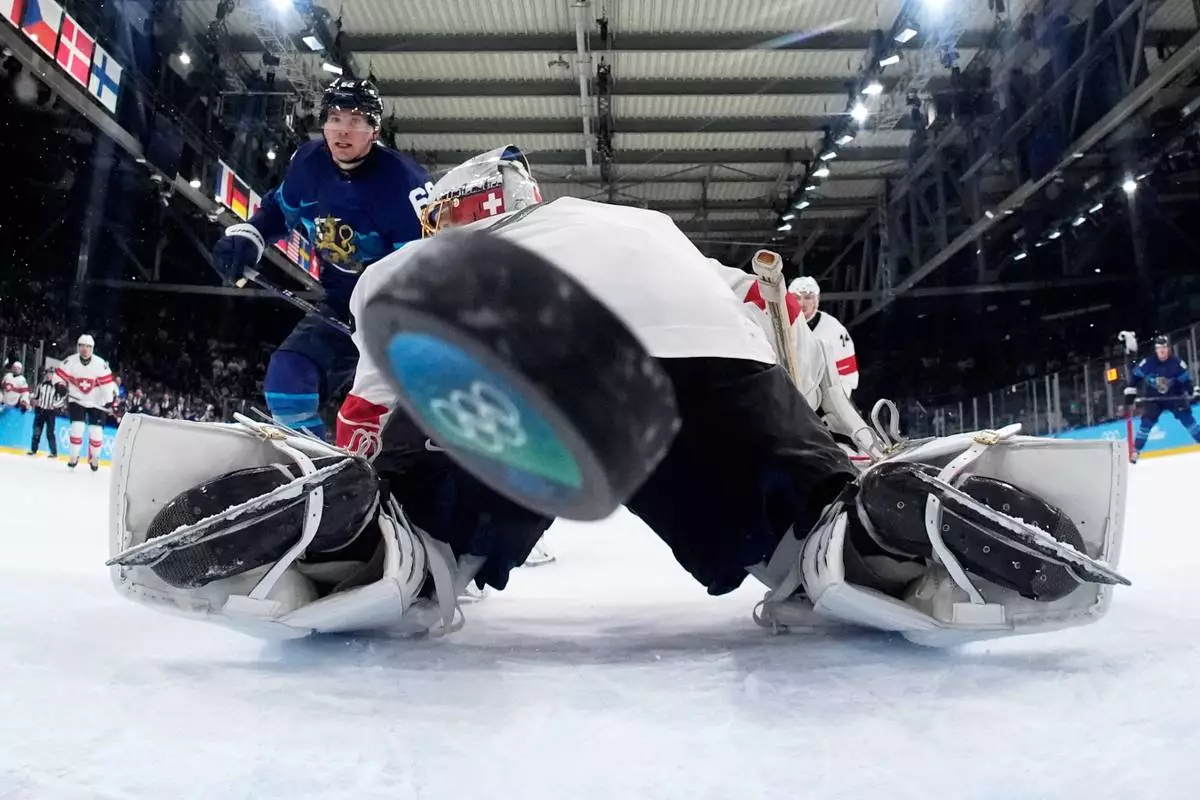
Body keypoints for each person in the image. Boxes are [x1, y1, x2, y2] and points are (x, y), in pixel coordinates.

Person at [109, 146, 1129, 646]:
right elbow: (757, 303)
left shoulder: (425, 257)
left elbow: (379, 370)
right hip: (714, 368)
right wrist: (814, 436)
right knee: (799, 525)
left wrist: (366, 454)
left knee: (426, 523)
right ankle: (862, 527)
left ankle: (369, 538)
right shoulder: (644, 223)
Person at [210, 77, 434, 439]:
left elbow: (426, 270)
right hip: (342, 306)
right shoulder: (309, 162)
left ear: (374, 131)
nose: (342, 130)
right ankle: (323, 469)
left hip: (402, 319)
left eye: (355, 120)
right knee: (287, 382)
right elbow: (278, 212)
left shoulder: (405, 184)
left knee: (397, 431)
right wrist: (248, 238)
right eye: (335, 118)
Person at [1124, 334, 1200, 461]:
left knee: (1189, 421)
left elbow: (1186, 382)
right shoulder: (1148, 363)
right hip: (1154, 398)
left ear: (1168, 348)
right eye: (1159, 348)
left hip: (1175, 396)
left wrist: (1193, 391)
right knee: (1146, 424)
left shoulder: (1178, 363)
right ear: (1156, 349)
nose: (1162, 351)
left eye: (1164, 347)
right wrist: (1131, 391)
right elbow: (1135, 375)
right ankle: (1136, 450)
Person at [788, 276, 858, 397]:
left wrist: (837, 400)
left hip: (823, 395)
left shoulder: (834, 328)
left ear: (817, 300)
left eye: (808, 297)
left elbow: (847, 374)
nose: (801, 303)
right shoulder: (781, 325)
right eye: (796, 298)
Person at [56, 334, 115, 471]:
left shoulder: (100, 364)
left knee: (96, 431)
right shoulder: (69, 361)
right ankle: (73, 456)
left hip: (97, 401)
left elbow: (107, 385)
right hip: (77, 399)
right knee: (77, 427)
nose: (85, 349)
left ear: (92, 348)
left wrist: (108, 401)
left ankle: (95, 458)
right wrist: (60, 385)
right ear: (78, 346)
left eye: (88, 346)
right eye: (82, 346)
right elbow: (59, 375)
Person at [28, 366, 67, 457]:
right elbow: (36, 396)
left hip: (50, 413)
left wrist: (54, 405)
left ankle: (54, 452)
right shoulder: (40, 385)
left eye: (51, 374)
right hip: (40, 410)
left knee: (50, 432)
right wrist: (32, 398)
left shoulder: (57, 386)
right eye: (48, 373)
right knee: (37, 431)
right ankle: (33, 450)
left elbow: (62, 400)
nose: (49, 375)